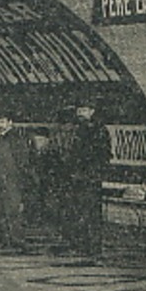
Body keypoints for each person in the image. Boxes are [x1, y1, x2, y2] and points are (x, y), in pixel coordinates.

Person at [61, 101, 111, 257]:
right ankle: (80, 244)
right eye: (79, 110)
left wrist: (89, 172)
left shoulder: (98, 130)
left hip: (89, 178)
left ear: (92, 111)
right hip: (76, 177)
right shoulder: (76, 130)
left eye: (84, 110)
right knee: (77, 211)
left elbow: (103, 155)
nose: (80, 113)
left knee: (91, 213)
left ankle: (93, 247)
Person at [0, 110, 32, 249]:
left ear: (10, 122)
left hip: (12, 180)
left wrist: (21, 180)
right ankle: (4, 239)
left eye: (2, 121)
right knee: (0, 210)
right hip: (0, 180)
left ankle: (17, 240)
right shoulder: (2, 137)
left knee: (12, 211)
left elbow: (22, 161)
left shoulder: (15, 138)